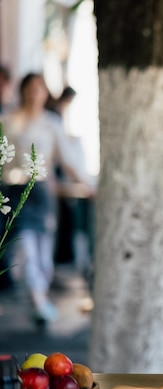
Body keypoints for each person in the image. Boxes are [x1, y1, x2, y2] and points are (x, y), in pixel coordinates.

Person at [0, 73, 93, 324]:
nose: (34, 93)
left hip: (41, 192)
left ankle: (39, 295)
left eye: (39, 89)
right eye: (30, 88)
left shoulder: (51, 123)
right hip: (15, 190)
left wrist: (86, 183)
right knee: (26, 246)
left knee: (43, 251)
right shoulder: (8, 121)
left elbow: (66, 158)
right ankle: (38, 299)